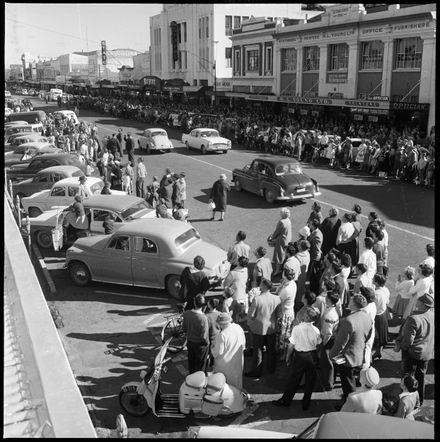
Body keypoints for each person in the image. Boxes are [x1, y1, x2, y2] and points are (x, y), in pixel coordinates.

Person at [272, 307, 322, 410]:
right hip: (312, 356)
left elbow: (291, 345)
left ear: (306, 316)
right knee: (310, 381)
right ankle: (306, 403)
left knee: (294, 380)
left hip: (300, 356)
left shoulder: (297, 328)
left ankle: (286, 400)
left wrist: (288, 356)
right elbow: (318, 343)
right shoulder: (316, 330)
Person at [329, 294, 373, 405]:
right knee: (352, 380)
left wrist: (332, 355)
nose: (349, 302)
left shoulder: (348, 320)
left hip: (347, 358)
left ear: (354, 304)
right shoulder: (367, 316)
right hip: (359, 354)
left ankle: (349, 405)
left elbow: (340, 342)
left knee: (348, 385)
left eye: (351, 300)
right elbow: (368, 335)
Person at [395, 293, 434, 406]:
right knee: (421, 378)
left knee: (407, 379)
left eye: (418, 301)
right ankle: (419, 401)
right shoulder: (432, 314)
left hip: (412, 354)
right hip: (427, 353)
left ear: (421, 304)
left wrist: (400, 345)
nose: (416, 302)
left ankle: (406, 403)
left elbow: (407, 342)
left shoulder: (413, 318)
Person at [245, 278, 281, 378]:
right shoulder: (277, 298)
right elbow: (279, 314)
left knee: (258, 351)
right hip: (271, 327)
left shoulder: (257, 299)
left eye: (261, 284)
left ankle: (257, 372)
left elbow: (251, 315)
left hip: (259, 328)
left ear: (264, 286)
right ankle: (271, 368)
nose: (259, 285)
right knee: (271, 349)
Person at [211, 312, 246, 389]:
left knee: (227, 387)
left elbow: (218, 352)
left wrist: (212, 348)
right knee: (237, 383)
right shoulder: (238, 327)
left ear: (221, 324)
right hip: (238, 361)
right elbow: (243, 344)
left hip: (225, 366)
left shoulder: (222, 334)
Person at [182, 294, 209, 374]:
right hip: (200, 345)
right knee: (200, 365)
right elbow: (204, 336)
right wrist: (207, 343)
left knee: (191, 361)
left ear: (194, 302)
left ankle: (191, 378)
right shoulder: (203, 318)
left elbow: (184, 328)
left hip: (190, 342)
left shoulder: (187, 313)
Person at [319, 291, 341, 391]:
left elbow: (328, 332)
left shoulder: (329, 315)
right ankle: (331, 380)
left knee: (327, 364)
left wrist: (323, 343)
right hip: (333, 339)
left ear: (329, 300)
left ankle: (328, 384)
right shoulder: (333, 310)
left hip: (328, 341)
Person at [275, 267, 296, 358]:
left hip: (284, 314)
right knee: (285, 334)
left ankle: (283, 355)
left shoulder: (286, 290)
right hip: (290, 311)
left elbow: (277, 300)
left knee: (283, 336)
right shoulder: (292, 284)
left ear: (285, 275)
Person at [223, 256, 249, 324]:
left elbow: (225, 284)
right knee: (241, 314)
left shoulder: (233, 273)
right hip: (243, 295)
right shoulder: (246, 270)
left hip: (234, 297)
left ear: (238, 262)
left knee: (233, 316)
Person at [269, 208, 292, 276]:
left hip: (281, 240)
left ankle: (277, 270)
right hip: (287, 238)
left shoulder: (281, 222)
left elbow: (277, 232)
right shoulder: (288, 220)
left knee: (279, 255)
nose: (280, 213)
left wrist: (272, 237)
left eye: (281, 212)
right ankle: (281, 268)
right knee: (284, 254)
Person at [360, 286, 377, 369]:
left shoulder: (365, 309)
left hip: (366, 331)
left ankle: (365, 368)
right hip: (371, 329)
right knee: (368, 348)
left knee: (365, 350)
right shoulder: (373, 304)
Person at [294, 240, 311, 312]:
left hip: (297, 276)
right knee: (301, 289)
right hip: (304, 275)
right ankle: (299, 302)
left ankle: (296, 304)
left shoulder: (297, 256)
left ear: (301, 247)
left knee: (296, 290)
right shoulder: (308, 254)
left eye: (299, 245)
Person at [308, 218, 323, 294]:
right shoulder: (316, 232)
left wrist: (313, 261)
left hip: (315, 260)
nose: (308, 225)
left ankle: (313, 292)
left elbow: (316, 250)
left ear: (313, 226)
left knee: (313, 278)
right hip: (315, 258)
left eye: (310, 224)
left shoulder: (316, 236)